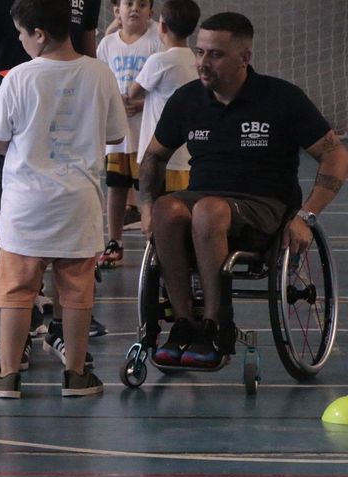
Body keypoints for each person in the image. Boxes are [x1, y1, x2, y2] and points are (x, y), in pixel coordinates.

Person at [139, 12, 348, 368]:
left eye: (215, 54)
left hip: (265, 205)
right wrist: (146, 207)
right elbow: (153, 158)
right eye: (200, 52)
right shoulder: (187, 99)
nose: (203, 63)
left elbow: (335, 155)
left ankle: (215, 326)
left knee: (208, 210)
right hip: (204, 202)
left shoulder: (282, 99)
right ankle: (184, 323)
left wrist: (307, 215)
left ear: (245, 57)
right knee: (166, 210)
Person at [0, 0, 127, 398]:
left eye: (21, 35)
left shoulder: (19, 77)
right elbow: (115, 134)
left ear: (39, 35)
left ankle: (8, 375)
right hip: (79, 202)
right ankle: (76, 375)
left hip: (27, 205)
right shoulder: (99, 73)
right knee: (76, 291)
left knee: (16, 290)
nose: (21, 42)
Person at [96, 0, 161, 268]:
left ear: (150, 12)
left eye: (142, 4)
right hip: (118, 132)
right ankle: (114, 240)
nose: (135, 9)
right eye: (129, 4)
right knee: (115, 186)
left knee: (146, 189)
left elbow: (164, 85)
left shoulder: (156, 42)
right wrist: (114, 104)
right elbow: (100, 81)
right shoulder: (107, 45)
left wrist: (143, 104)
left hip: (145, 131)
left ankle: (154, 241)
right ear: (117, 11)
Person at [128, 0, 199, 196]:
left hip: (158, 156)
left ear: (162, 26)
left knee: (153, 209)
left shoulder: (159, 60)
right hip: (184, 157)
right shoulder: (194, 60)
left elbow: (133, 92)